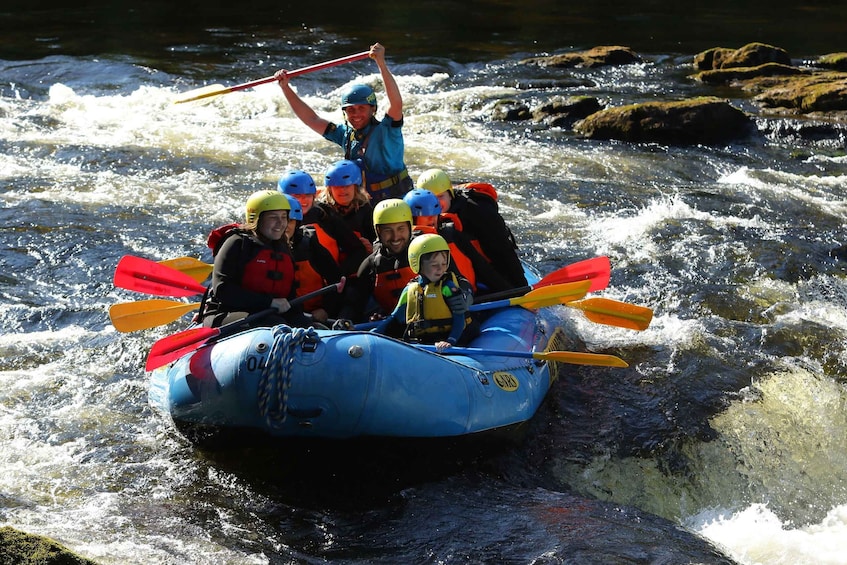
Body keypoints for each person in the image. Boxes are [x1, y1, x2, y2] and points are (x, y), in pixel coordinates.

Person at [274, 43, 413, 202]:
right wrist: (285, 87)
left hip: (396, 197)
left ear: (372, 109)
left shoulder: (387, 129)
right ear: (345, 112)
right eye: (351, 110)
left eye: (361, 108)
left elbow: (396, 104)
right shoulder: (345, 134)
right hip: (365, 200)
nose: (356, 114)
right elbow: (311, 119)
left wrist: (381, 63)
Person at [201, 190, 309, 329]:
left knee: (304, 324)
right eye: (273, 217)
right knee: (274, 323)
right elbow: (223, 290)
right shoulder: (236, 243)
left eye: (283, 217)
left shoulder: (283, 248)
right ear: (256, 218)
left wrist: (298, 315)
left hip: (269, 314)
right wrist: (268, 302)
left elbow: (290, 294)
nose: (280, 223)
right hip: (225, 314)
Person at [417, 168, 528, 288]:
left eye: (440, 196)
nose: (436, 203)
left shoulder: (477, 211)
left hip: (493, 268)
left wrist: (521, 288)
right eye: (431, 199)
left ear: (450, 194)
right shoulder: (422, 216)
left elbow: (503, 251)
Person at [373, 234, 476, 352]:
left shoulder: (447, 288)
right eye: (434, 265)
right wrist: (374, 333)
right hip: (426, 340)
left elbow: (459, 317)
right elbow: (395, 318)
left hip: (453, 337)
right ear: (418, 264)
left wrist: (450, 341)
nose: (440, 269)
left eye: (443, 264)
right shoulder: (410, 289)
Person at [403, 188, 511, 295]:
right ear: (412, 218)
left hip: (470, 296)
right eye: (425, 216)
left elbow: (483, 268)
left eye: (434, 214)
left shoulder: (452, 234)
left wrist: (509, 291)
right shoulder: (403, 246)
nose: (432, 219)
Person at [277, 169, 368, 278]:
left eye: (307, 195)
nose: (303, 200)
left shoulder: (324, 215)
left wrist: (340, 277)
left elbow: (357, 250)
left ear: (313, 196)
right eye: (297, 196)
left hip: (327, 284)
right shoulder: (273, 220)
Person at [338, 198, 416, 323]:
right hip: (391, 328)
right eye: (387, 230)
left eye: (401, 229)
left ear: (410, 228)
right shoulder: (371, 265)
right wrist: (344, 321)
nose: (395, 237)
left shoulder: (428, 253)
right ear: (378, 231)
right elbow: (354, 305)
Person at [283, 194, 345, 324]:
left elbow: (336, 280)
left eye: (289, 221)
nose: (283, 226)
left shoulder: (309, 244)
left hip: (314, 314)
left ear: (297, 223)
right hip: (281, 315)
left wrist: (326, 309)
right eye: (276, 220)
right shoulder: (261, 250)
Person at [321, 159, 376, 253]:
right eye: (337, 187)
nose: (342, 190)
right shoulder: (322, 212)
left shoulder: (365, 210)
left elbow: (376, 240)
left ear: (355, 187)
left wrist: (372, 248)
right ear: (330, 189)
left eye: (347, 186)